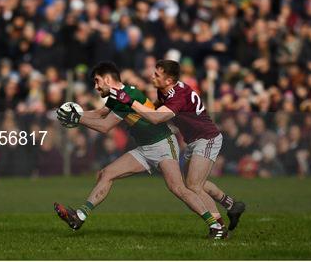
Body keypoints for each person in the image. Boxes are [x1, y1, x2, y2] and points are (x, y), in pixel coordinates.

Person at [55, 62, 228, 239]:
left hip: (162, 143)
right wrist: (74, 114)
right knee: (106, 173)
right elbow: (100, 114)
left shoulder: (128, 95)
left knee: (178, 188)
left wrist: (77, 118)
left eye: (97, 81)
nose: (96, 86)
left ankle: (215, 226)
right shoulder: (120, 95)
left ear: (107, 79)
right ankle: (79, 217)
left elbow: (105, 126)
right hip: (145, 148)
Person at [110, 59, 246, 232]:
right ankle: (232, 206)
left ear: (169, 80)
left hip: (207, 138)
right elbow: (157, 109)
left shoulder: (177, 95)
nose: (152, 76)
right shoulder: (165, 90)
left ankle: (219, 227)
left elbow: (156, 117)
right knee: (195, 184)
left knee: (194, 186)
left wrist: (129, 101)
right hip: (194, 140)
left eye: (157, 75)